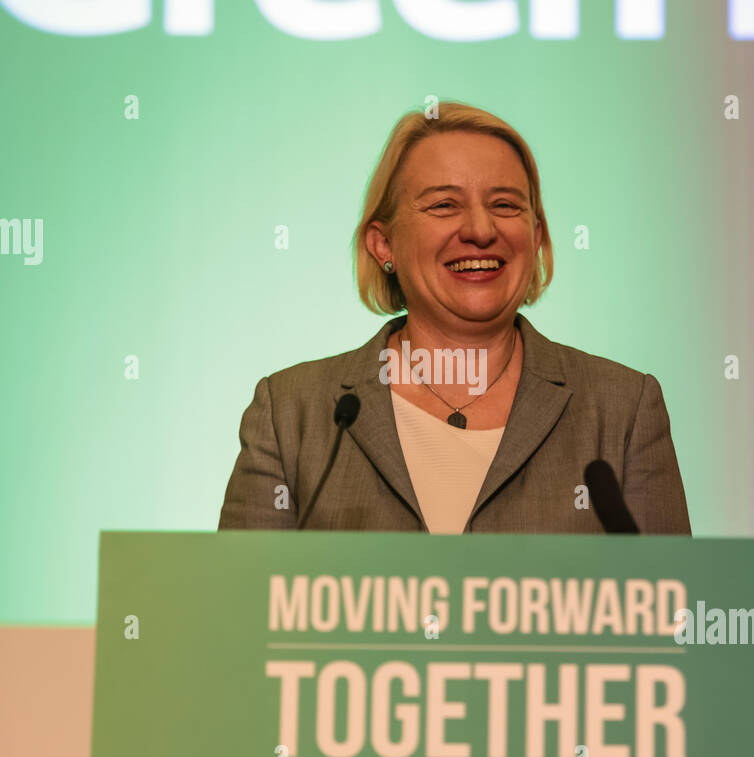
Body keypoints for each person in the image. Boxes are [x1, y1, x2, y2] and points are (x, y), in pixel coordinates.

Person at [218, 102, 691, 535]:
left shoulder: (623, 410)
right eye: (444, 205)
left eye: (505, 206)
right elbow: (235, 609)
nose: (481, 231)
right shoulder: (292, 412)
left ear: (536, 234)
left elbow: (673, 611)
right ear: (384, 244)